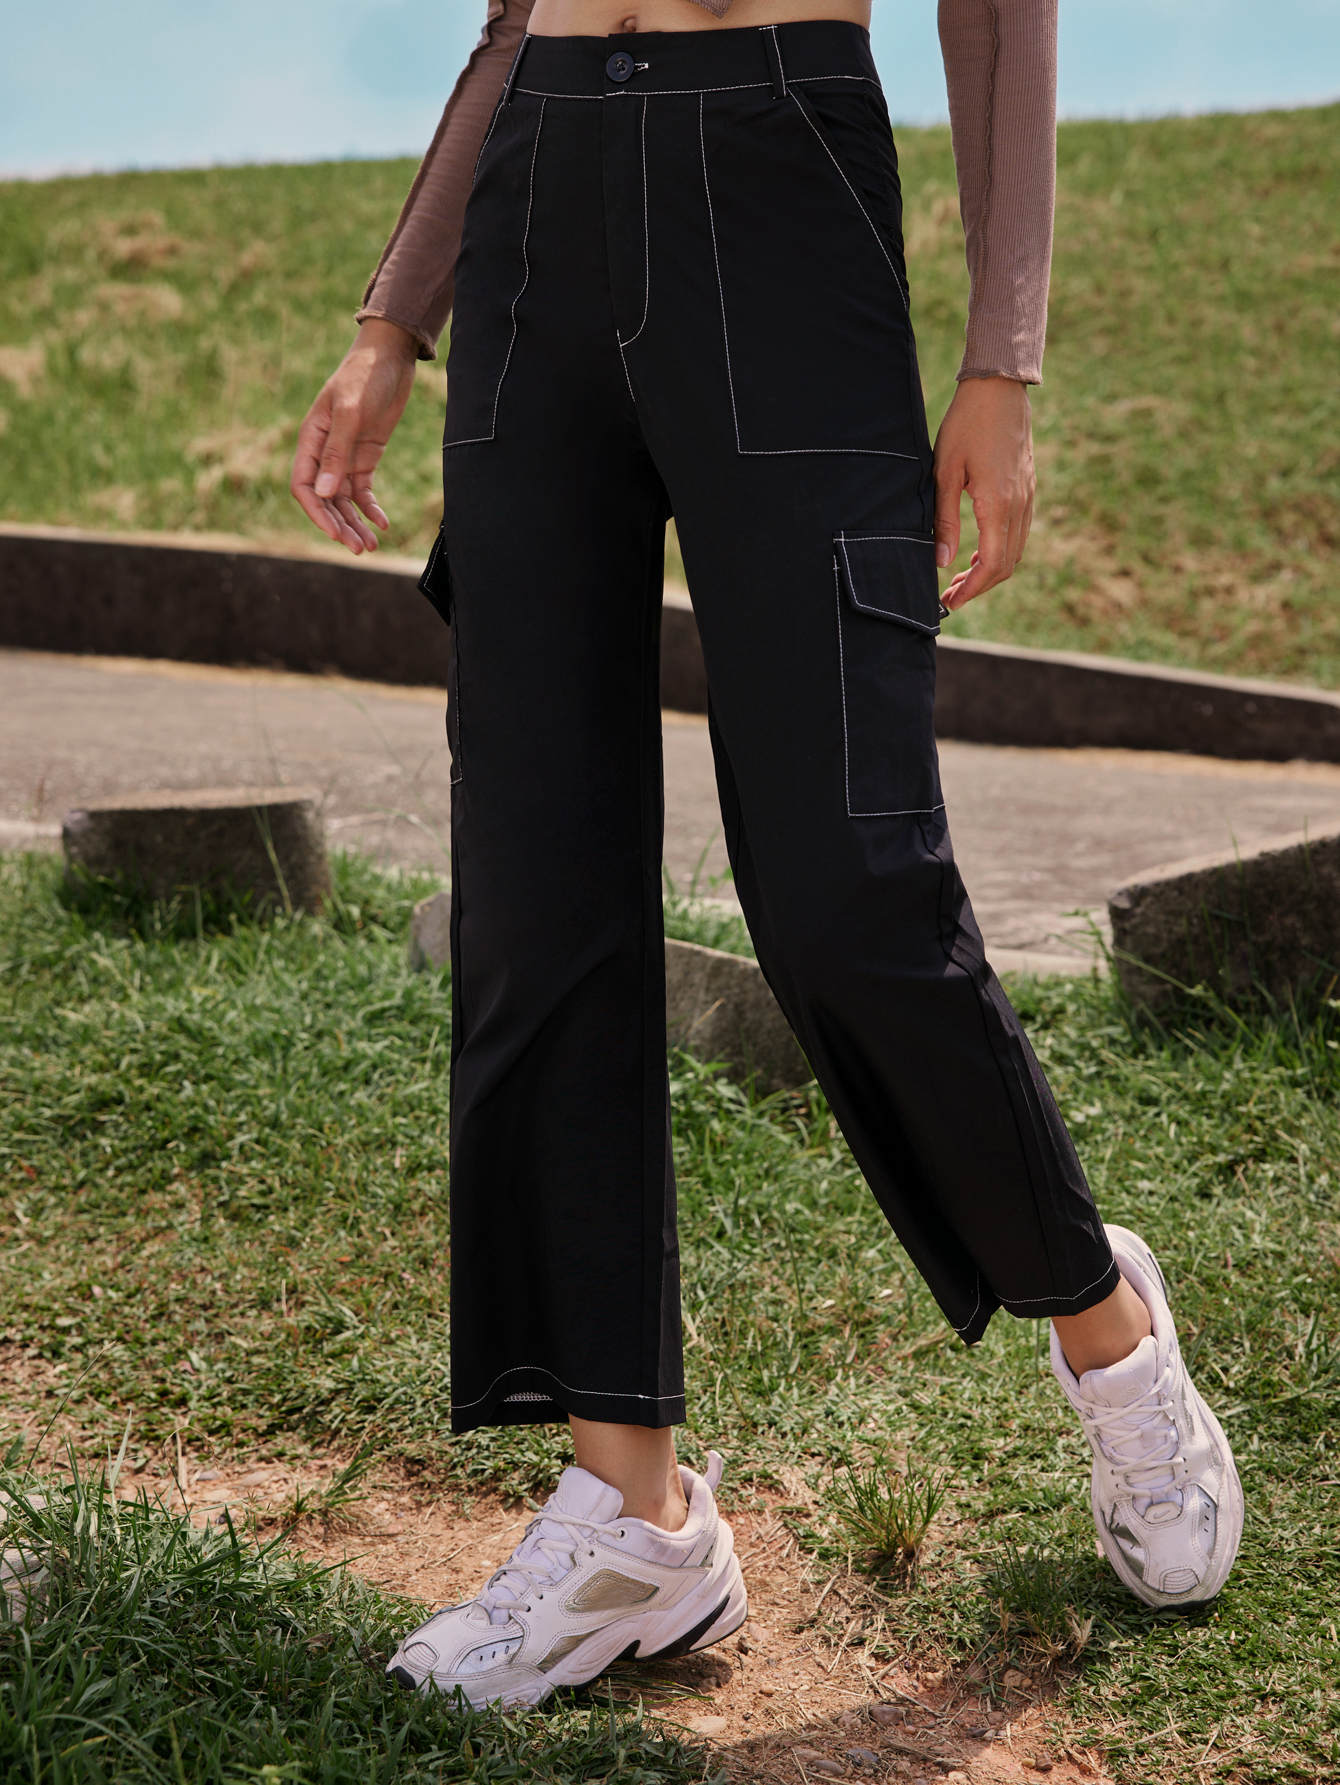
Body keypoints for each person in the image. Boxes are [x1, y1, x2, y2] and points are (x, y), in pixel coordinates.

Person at [290, 0, 1243, 1711]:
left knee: (847, 886)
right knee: (536, 893)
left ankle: (1104, 1323)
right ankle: (633, 1522)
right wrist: (392, 316)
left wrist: (1003, 357)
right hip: (541, 199)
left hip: (781, 176)